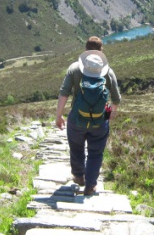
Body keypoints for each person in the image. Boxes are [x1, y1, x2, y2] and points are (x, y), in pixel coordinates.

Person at [56, 36, 121, 195]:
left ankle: (79, 176)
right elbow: (115, 99)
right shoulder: (107, 71)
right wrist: (108, 115)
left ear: (86, 50)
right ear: (101, 51)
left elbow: (64, 93)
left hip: (77, 118)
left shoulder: (74, 68)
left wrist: (59, 116)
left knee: (76, 147)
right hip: (100, 120)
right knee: (95, 152)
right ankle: (91, 185)